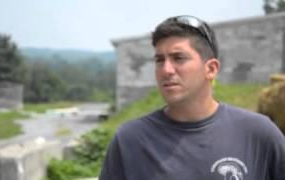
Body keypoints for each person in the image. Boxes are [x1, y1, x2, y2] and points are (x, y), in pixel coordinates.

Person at [99, 15, 285, 180]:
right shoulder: (130, 140)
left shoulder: (259, 134)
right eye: (159, 60)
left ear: (211, 69)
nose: (166, 70)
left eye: (179, 58)